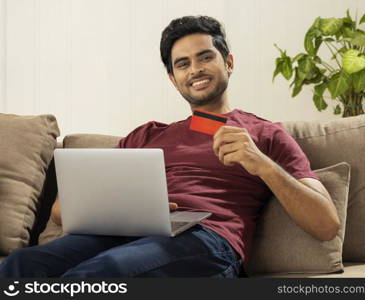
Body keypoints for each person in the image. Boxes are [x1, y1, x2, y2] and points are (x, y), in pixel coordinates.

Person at [0, 15, 339, 278]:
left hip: (207, 241)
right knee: (20, 267)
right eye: (183, 64)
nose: (196, 69)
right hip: (125, 235)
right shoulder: (146, 135)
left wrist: (262, 164)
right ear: (173, 79)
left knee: (101, 274)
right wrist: (132, 208)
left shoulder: (264, 135)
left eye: (205, 57)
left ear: (229, 63)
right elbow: (61, 211)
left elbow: (325, 224)